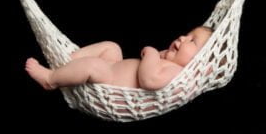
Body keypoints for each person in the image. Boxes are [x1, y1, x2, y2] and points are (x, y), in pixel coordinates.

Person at [25, 26, 213, 91]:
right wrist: (164, 54)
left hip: (109, 81)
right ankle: (65, 62)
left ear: (201, 61)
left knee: (93, 65)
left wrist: (153, 54)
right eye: (187, 34)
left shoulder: (177, 74)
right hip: (113, 67)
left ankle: (51, 80)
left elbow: (149, 80)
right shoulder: (171, 62)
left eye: (192, 41)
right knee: (112, 47)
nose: (182, 37)